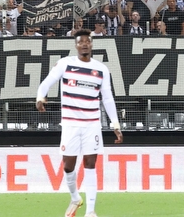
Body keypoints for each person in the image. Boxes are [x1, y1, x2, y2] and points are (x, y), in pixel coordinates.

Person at [36, 29, 122, 217]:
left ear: (92, 44)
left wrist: (115, 124)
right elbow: (47, 82)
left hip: (92, 124)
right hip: (70, 124)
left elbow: (107, 98)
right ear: (75, 45)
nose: (84, 44)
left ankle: (90, 211)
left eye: (87, 41)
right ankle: (75, 197)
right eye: (81, 41)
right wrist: (40, 97)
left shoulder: (101, 69)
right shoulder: (66, 64)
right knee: (68, 165)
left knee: (90, 164)